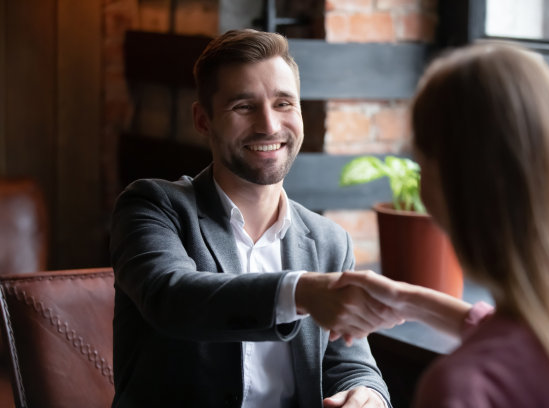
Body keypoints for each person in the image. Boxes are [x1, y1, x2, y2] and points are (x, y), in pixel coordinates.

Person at [109, 29, 402, 408]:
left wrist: (368, 396)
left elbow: (351, 366)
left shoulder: (330, 241)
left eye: (283, 103)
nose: (268, 125)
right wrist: (299, 292)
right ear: (203, 120)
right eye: (244, 106)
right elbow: (172, 297)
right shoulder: (153, 206)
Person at [334, 42, 549, 407]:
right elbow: (527, 338)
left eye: (421, 162)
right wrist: (410, 302)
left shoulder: (462, 388)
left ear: (444, 190)